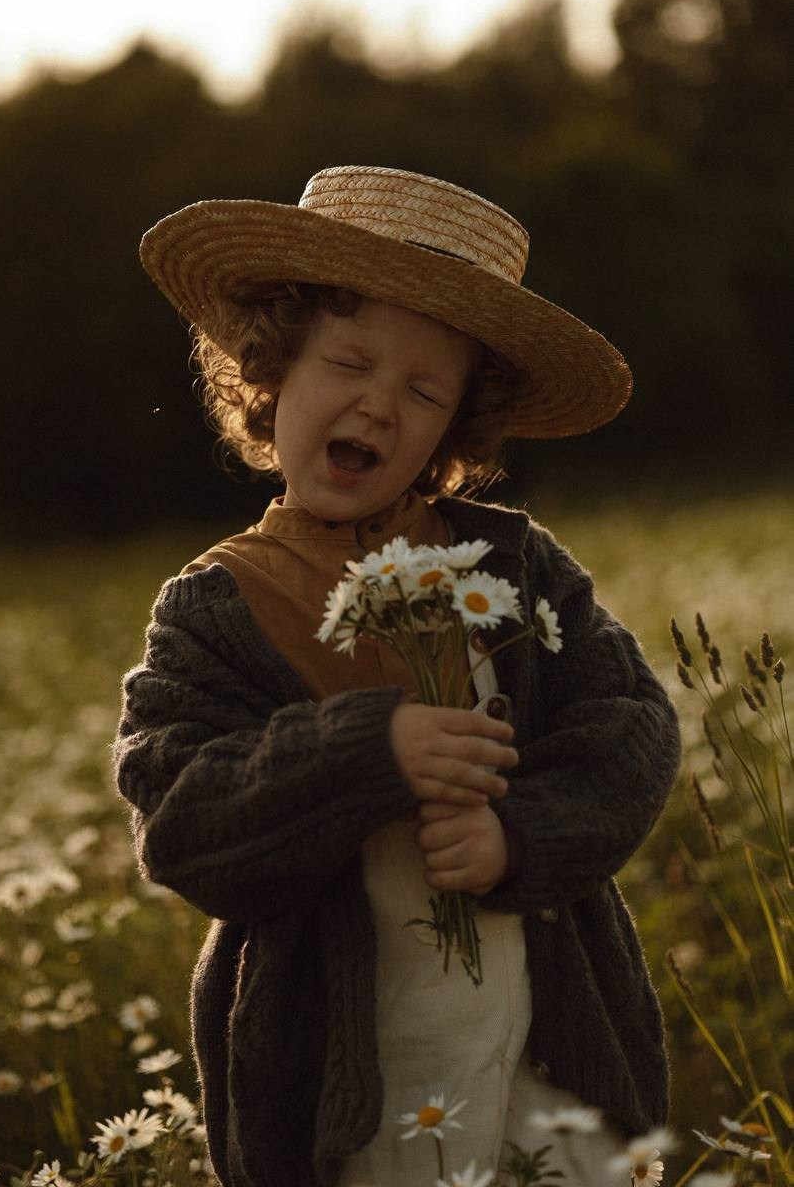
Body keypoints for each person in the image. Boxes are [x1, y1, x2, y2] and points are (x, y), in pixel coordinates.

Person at [113, 166, 681, 1187]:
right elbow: (182, 819)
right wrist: (366, 748)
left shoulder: (511, 567)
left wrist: (520, 833)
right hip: (338, 1078)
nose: (378, 403)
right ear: (270, 372)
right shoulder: (218, 607)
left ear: (455, 428)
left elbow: (631, 728)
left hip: (540, 1046)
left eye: (423, 390)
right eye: (347, 361)